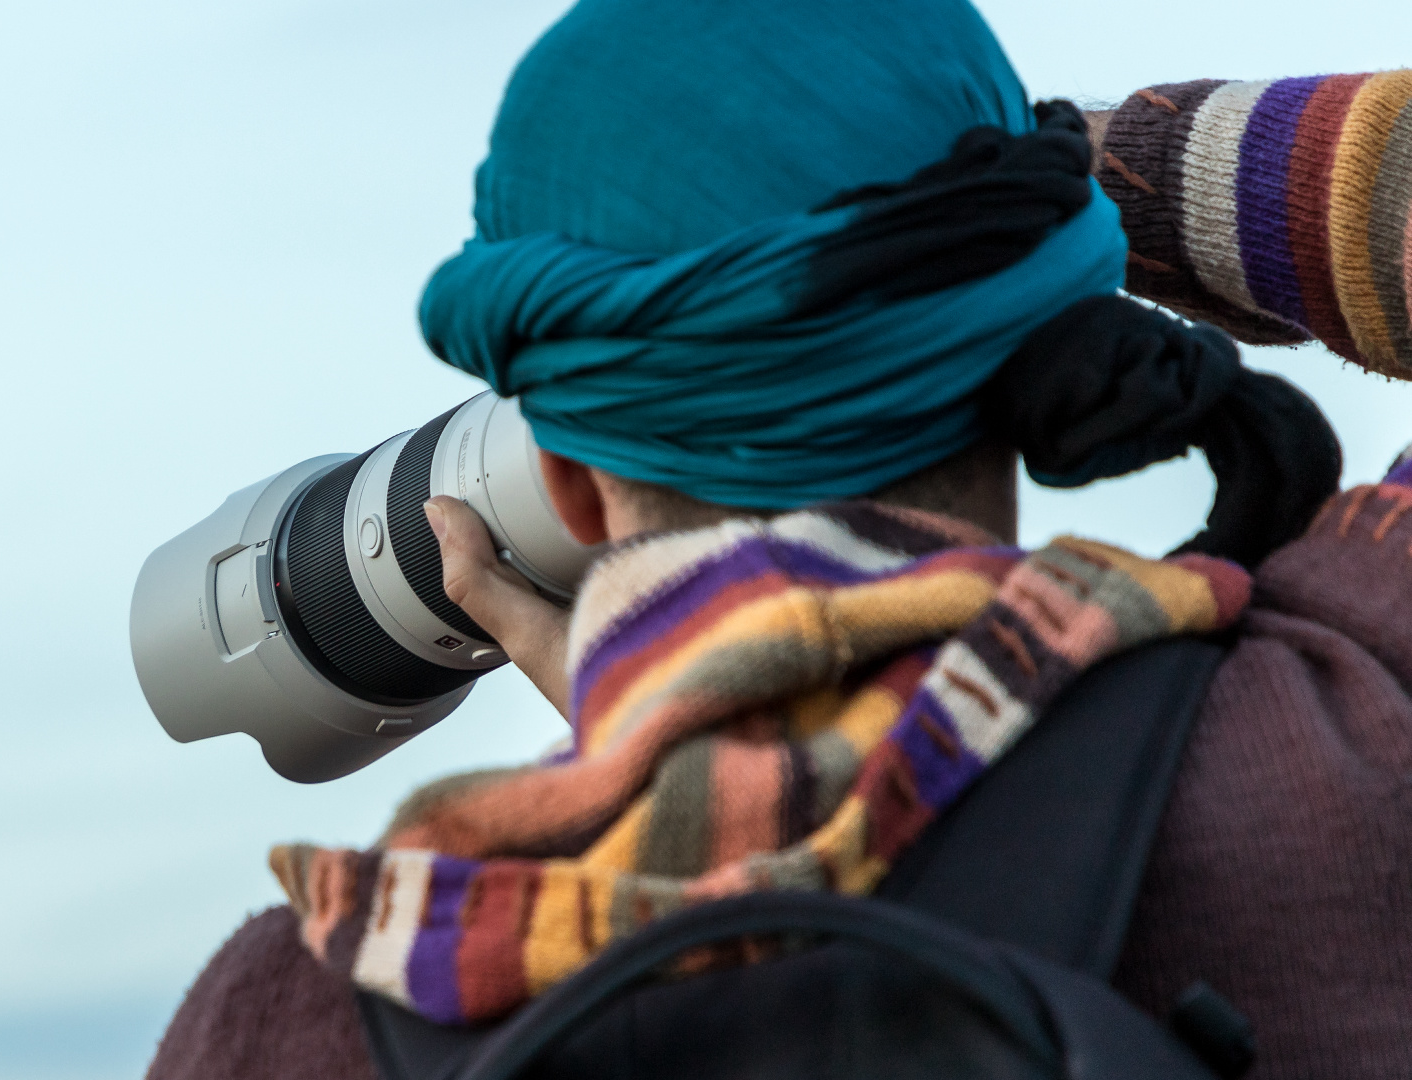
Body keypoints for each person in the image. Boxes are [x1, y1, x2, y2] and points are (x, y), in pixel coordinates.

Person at [148, 2, 1412, 1077]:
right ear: (1041, 349)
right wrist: (1070, 173)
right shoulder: (1352, 736)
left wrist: (644, 747)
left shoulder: (303, 1010)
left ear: (572, 495)